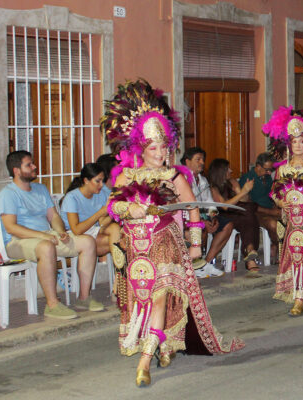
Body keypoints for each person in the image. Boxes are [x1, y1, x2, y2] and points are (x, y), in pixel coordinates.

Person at [102, 79, 243, 387]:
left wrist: (195, 246)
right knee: (141, 299)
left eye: (164, 145)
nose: (161, 151)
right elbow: (113, 205)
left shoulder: (175, 176)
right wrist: (130, 210)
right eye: (154, 147)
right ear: (141, 147)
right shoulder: (126, 174)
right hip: (135, 247)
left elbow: (193, 209)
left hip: (165, 243)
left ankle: (144, 360)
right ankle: (162, 343)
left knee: (159, 297)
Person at [0, 151, 103, 319]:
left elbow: (53, 216)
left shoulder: (40, 189)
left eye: (32, 163)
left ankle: (84, 298)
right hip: (17, 242)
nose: (34, 167)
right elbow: (11, 228)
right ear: (16, 170)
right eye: (29, 165)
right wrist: (43, 236)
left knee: (88, 242)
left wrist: (60, 232)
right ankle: (52, 304)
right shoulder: (8, 194)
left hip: (47, 235)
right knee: (46, 247)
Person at [264, 107, 303, 316]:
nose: (298, 145)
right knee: (296, 254)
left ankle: (301, 295)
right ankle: (299, 290)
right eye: (294, 141)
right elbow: (275, 192)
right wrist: (280, 203)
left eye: (301, 141)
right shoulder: (283, 169)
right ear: (289, 144)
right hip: (291, 219)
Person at [181, 147, 232, 278]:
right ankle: (195, 266)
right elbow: (184, 207)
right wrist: (202, 221)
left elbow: (210, 204)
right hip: (186, 219)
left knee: (227, 225)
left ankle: (205, 263)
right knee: (200, 229)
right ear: (187, 161)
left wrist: (212, 218)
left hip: (202, 217)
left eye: (203, 160)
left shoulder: (203, 180)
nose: (202, 163)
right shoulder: (181, 179)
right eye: (198, 159)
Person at [207, 158, 259, 273]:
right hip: (225, 215)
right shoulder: (213, 187)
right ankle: (250, 252)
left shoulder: (232, 181)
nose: (230, 171)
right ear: (220, 171)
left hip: (240, 212)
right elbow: (224, 206)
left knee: (249, 212)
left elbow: (244, 199)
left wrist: (242, 190)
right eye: (227, 169)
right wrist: (242, 192)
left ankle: (250, 250)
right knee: (249, 213)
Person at [62, 163, 121, 258]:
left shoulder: (102, 194)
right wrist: (100, 212)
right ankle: (120, 268)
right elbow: (76, 230)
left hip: (94, 230)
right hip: (73, 235)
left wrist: (111, 210)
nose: (101, 185)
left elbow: (102, 223)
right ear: (86, 181)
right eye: (98, 181)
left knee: (115, 229)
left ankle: (120, 268)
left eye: (102, 181)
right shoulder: (72, 197)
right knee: (118, 241)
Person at [239, 152, 278, 260]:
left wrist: (276, 206)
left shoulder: (267, 177)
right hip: (256, 213)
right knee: (273, 225)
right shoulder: (247, 178)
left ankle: (277, 245)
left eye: (271, 170)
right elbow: (248, 205)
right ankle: (281, 248)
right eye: (267, 169)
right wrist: (271, 212)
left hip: (270, 210)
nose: (269, 172)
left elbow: (272, 196)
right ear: (258, 166)